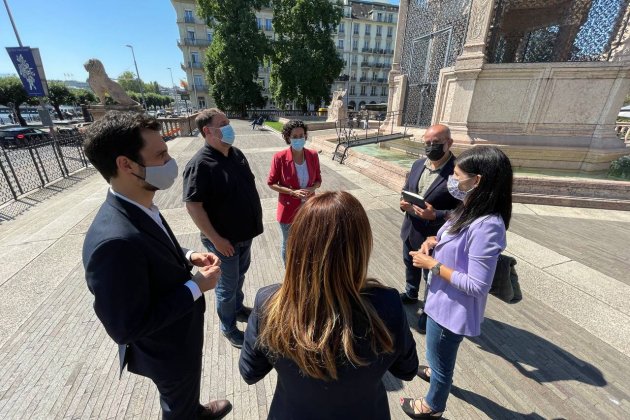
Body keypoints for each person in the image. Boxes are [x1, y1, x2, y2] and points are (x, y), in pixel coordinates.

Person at [82, 111, 232, 420]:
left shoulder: (137, 204)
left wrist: (189, 256)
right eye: (160, 154)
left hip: (177, 335)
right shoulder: (114, 242)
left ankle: (194, 409)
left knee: (183, 393)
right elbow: (127, 327)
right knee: (176, 402)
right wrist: (196, 285)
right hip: (165, 348)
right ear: (126, 164)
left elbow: (154, 246)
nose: (169, 161)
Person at [240, 191, 419, 420]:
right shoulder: (386, 303)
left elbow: (250, 372)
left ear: (296, 244)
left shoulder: (268, 302)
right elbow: (407, 369)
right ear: (361, 248)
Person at [399, 145, 513, 419]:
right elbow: (453, 240)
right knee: (437, 352)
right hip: (441, 299)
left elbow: (477, 285)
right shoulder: (470, 208)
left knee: (443, 360)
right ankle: (434, 369)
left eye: (458, 174)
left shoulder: (488, 225)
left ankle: (433, 406)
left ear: (477, 180)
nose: (453, 179)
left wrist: (433, 266)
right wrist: (433, 242)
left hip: (452, 310)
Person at [183, 108, 264, 349]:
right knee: (226, 287)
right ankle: (228, 327)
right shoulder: (200, 164)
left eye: (228, 121)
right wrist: (216, 240)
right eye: (223, 123)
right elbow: (193, 206)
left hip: (244, 236)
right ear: (208, 131)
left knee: (239, 277)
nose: (229, 127)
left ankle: (238, 310)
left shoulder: (235, 153)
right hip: (222, 241)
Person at [399, 124, 460, 332]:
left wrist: (437, 215)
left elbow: (465, 211)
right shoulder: (418, 164)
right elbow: (407, 190)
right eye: (427, 143)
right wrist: (403, 202)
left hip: (436, 237)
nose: (430, 147)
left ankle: (429, 310)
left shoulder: (459, 171)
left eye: (436, 143)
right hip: (411, 229)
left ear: (449, 143)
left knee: (432, 277)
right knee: (410, 264)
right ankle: (411, 293)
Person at [267, 120, 321, 263]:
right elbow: (271, 183)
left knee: (308, 242)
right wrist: (293, 192)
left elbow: (318, 181)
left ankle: (304, 270)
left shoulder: (313, 155)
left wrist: (311, 189)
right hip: (288, 211)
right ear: (288, 138)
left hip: (309, 209)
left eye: (301, 135)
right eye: (295, 136)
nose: (299, 139)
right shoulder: (280, 157)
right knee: (289, 244)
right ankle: (289, 274)